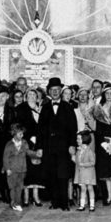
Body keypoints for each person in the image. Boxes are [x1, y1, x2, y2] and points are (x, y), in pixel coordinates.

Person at [37, 77, 77, 210]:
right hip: (49, 147)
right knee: (52, 175)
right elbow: (40, 130)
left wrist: (72, 145)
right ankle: (55, 202)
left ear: (61, 91)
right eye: (52, 90)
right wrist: (40, 147)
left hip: (64, 147)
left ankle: (64, 203)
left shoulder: (67, 107)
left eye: (57, 89)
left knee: (63, 175)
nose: (55, 92)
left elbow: (73, 128)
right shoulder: (45, 108)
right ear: (49, 91)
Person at [16, 88, 44, 206]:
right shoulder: (21, 108)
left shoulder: (41, 108)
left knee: (37, 168)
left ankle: (36, 196)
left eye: (34, 94)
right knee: (27, 168)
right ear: (26, 96)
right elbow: (18, 126)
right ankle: (26, 197)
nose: (32, 96)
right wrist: (28, 137)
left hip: (39, 143)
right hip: (26, 142)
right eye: (29, 94)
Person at [2, 122, 39, 212]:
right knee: (12, 187)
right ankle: (14, 203)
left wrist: (36, 154)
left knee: (20, 187)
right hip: (12, 170)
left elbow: (28, 152)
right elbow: (5, 158)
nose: (22, 135)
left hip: (22, 169)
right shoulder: (9, 145)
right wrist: (7, 169)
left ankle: (18, 202)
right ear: (14, 133)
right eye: (20, 134)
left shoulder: (24, 143)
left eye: (22, 133)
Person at [73, 130, 97, 212]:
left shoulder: (90, 151)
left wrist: (83, 164)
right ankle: (82, 205)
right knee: (83, 189)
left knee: (90, 188)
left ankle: (92, 205)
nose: (77, 140)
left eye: (79, 139)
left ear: (84, 139)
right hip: (81, 174)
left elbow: (93, 162)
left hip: (89, 173)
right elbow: (77, 162)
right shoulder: (78, 151)